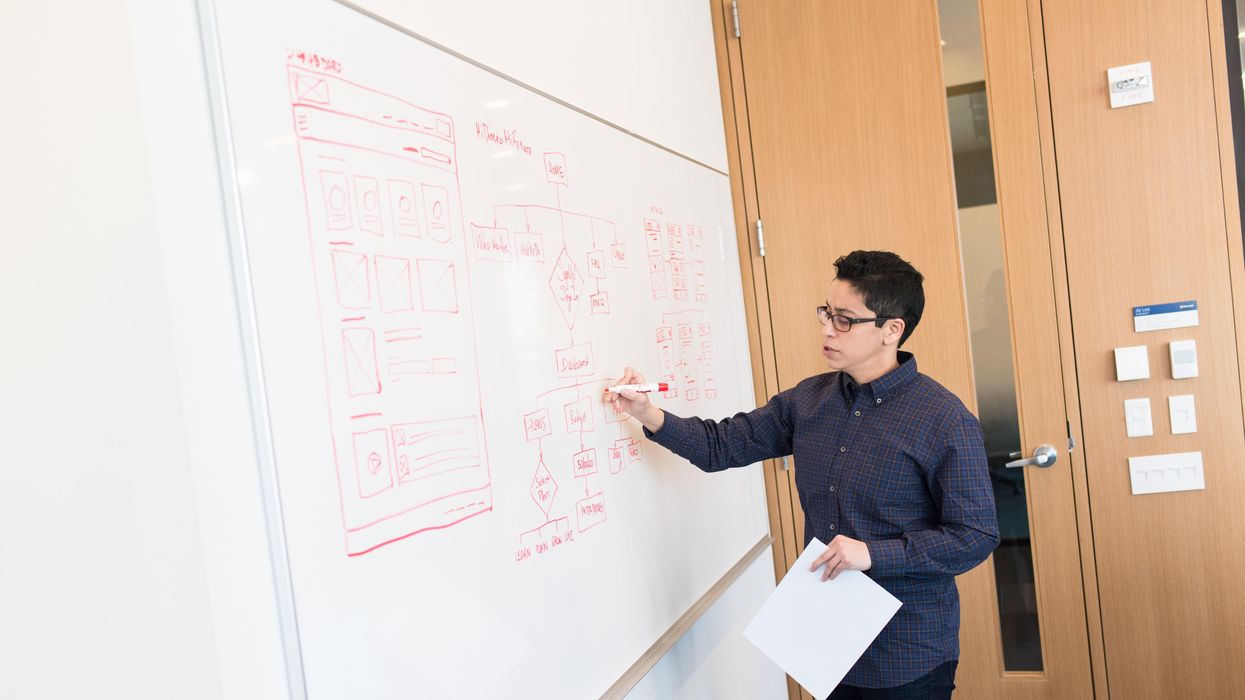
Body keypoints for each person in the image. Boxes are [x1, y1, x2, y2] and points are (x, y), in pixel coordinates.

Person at [603, 250, 999, 699]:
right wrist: (647, 412)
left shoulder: (944, 420)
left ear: (893, 330)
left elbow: (975, 535)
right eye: (827, 314)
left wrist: (874, 554)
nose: (828, 329)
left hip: (906, 650)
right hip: (825, 642)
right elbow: (720, 446)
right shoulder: (808, 400)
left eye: (845, 320)